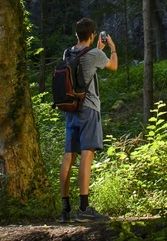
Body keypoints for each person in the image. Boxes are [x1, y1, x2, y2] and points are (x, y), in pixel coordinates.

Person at [59, 17, 118, 223]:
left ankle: (65, 209)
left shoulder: (67, 53)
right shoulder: (94, 53)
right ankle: (84, 208)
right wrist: (111, 48)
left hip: (70, 109)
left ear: (77, 34)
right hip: (89, 109)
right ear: (92, 35)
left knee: (69, 156)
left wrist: (97, 48)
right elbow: (113, 66)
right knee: (87, 154)